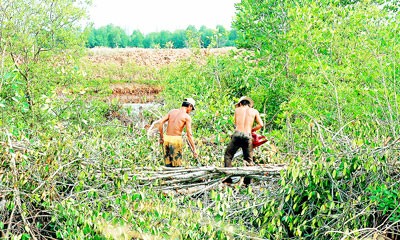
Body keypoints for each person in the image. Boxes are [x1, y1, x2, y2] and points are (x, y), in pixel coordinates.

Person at [224, 96, 264, 185]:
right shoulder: (254, 111)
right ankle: (247, 183)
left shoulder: (237, 110)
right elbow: (261, 124)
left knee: (228, 155)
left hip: (237, 134)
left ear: (240, 103)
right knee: (249, 160)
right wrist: (252, 129)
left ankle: (228, 180)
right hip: (247, 136)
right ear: (249, 104)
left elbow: (235, 122)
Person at [158, 98, 198, 167]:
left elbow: (161, 122)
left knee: (168, 165)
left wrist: (161, 137)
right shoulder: (186, 117)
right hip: (176, 141)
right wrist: (194, 150)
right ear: (190, 106)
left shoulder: (172, 112)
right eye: (192, 109)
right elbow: (189, 135)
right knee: (176, 165)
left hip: (166, 139)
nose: (190, 111)